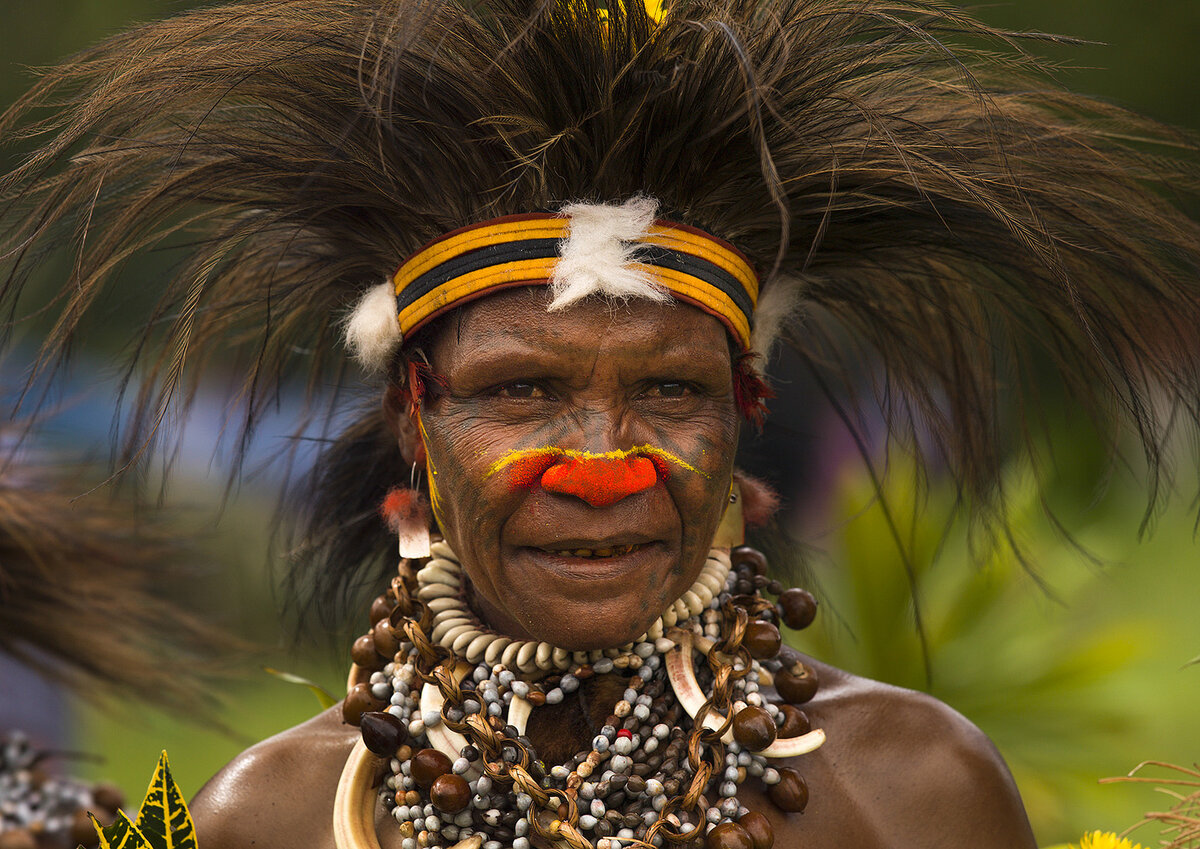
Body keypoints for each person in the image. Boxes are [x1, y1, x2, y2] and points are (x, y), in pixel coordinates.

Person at [3, 0, 1199, 847]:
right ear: (411, 421)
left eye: (670, 392)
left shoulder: (914, 790)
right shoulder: (276, 817)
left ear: (744, 419)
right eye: (521, 390)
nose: (601, 464)